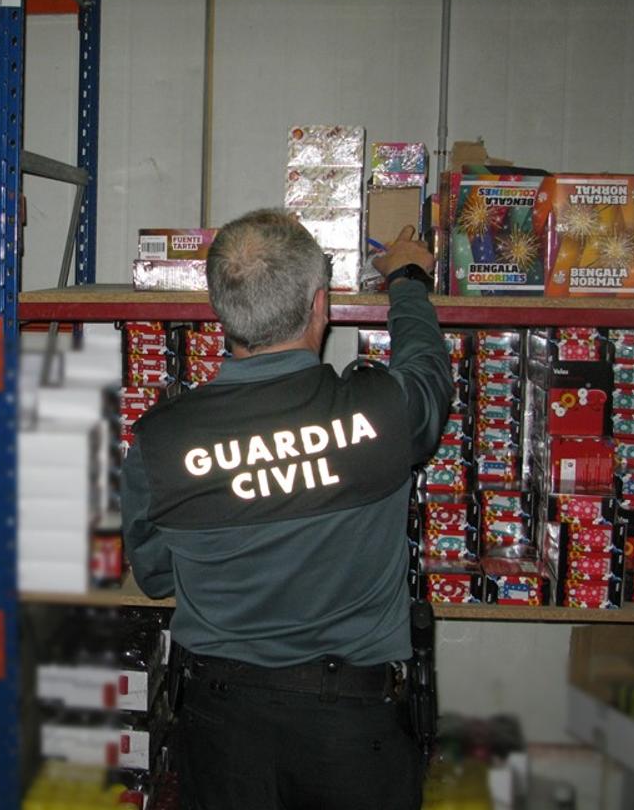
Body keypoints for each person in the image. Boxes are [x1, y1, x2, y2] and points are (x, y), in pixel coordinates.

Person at [120, 208, 452, 810]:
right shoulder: (382, 411)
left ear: (219, 311)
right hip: (353, 736)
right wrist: (407, 281)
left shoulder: (158, 442)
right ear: (320, 305)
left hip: (220, 731)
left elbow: (157, 575)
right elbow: (428, 370)